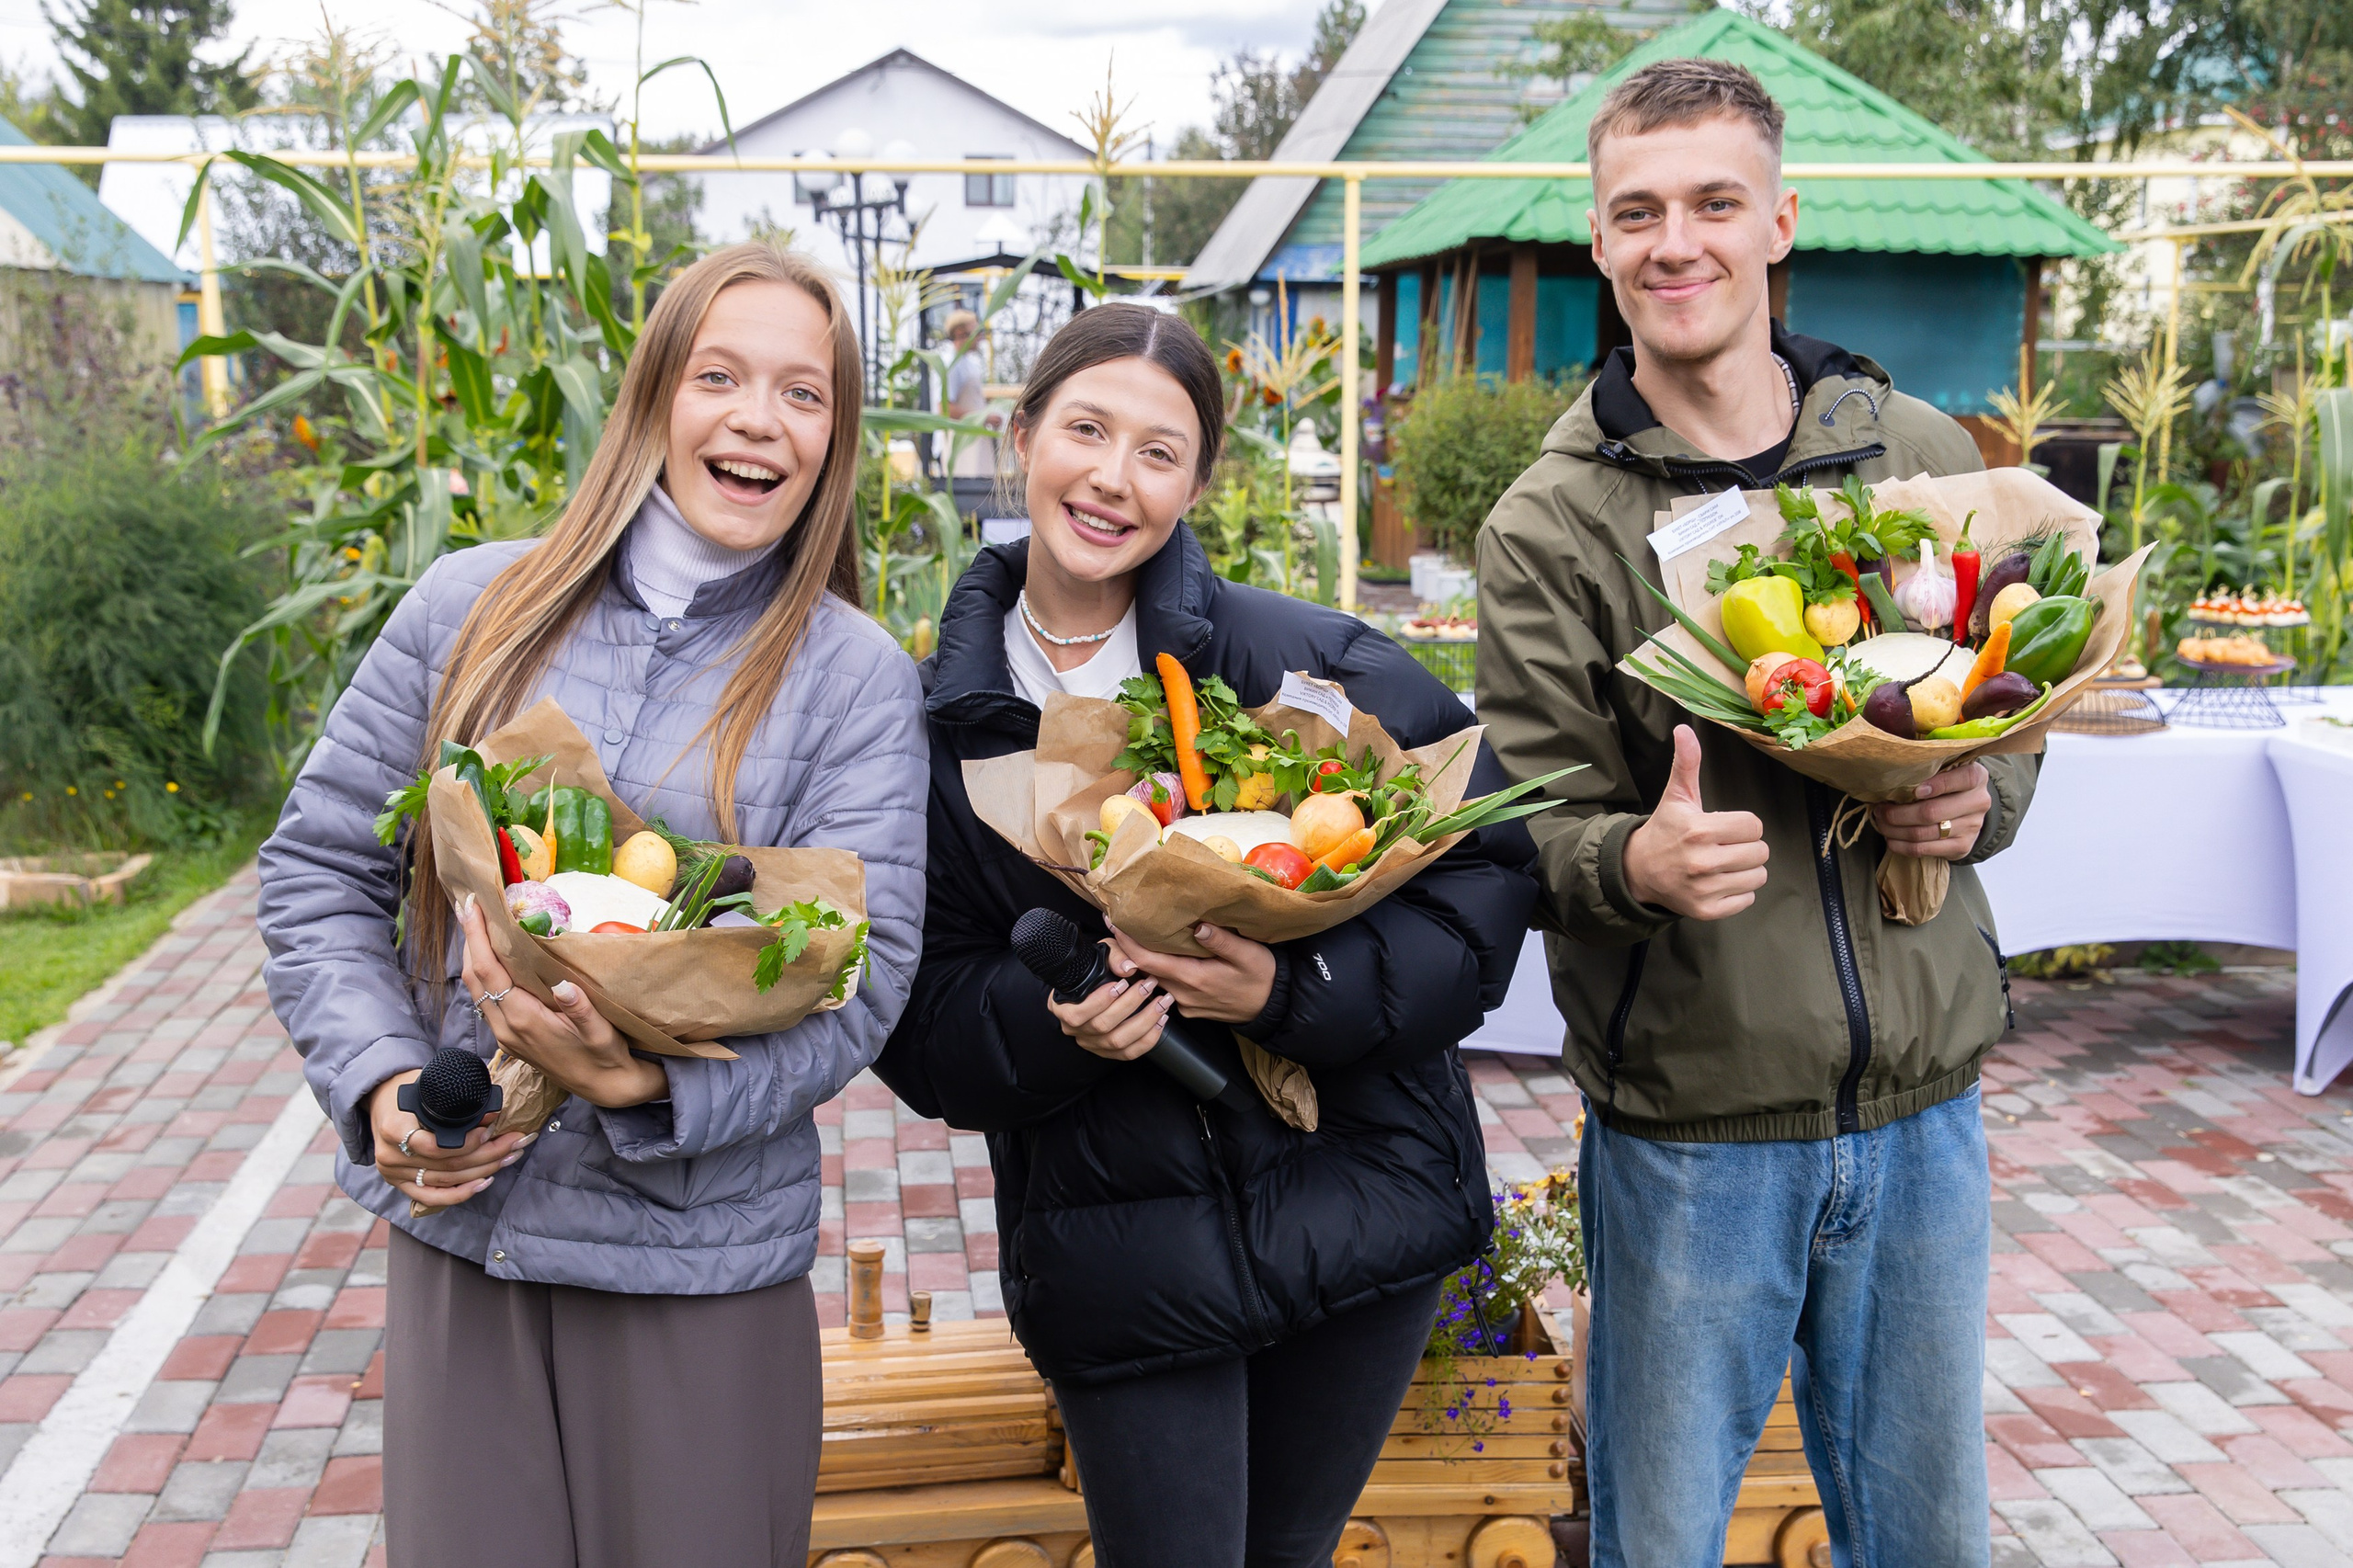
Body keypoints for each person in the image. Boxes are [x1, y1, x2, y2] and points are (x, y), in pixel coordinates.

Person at [255, 244, 926, 1568]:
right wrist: (388, 1085)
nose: (757, 417)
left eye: (804, 394)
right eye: (720, 374)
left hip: (698, 1268)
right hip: (473, 1234)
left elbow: (866, 973)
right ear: (650, 399)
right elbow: (320, 868)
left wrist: (650, 1095)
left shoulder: (853, 676)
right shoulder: (473, 606)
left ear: (834, 440)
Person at [878, 302, 1538, 1567]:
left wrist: (1291, 986)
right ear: (1023, 434)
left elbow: (1488, 868)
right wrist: (1056, 1022)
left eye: (1159, 450)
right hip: (1122, 1248)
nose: (1113, 478)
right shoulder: (949, 730)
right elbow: (917, 1020)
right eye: (1087, 428)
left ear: (1197, 481)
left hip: (1361, 1192)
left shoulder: (1296, 660)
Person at [1475, 61, 2025, 1568]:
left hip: (1922, 1112)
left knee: (1929, 1540)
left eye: (1715, 203)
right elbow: (1521, 820)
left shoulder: (1914, 454)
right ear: (1598, 239)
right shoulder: (1555, 519)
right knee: (1659, 1540)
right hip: (1693, 1132)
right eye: (1637, 211)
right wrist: (1632, 859)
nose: (1677, 243)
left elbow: (2006, 689)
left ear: (1779, 220)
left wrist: (1981, 794)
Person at [942, 306, 1000, 480]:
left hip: (974, 445)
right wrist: (983, 417)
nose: (980, 337)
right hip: (962, 448)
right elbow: (945, 408)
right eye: (976, 331)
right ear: (960, 332)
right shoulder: (950, 365)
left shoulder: (966, 363)